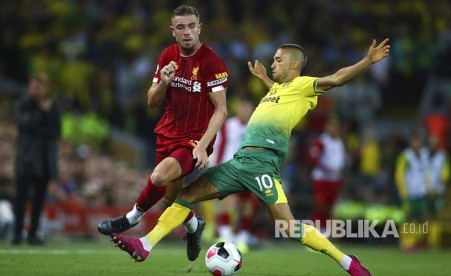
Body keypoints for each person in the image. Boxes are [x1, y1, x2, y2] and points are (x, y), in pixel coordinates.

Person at [110, 39, 391, 276]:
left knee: (289, 227)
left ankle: (348, 262)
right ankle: (145, 245)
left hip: (262, 165)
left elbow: (338, 78)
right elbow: (279, 96)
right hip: (239, 162)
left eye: (278, 60)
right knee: (183, 196)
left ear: (294, 65)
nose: (273, 63)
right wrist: (265, 80)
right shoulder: (278, 90)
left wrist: (366, 61)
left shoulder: (305, 85)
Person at [97, 5, 228, 262]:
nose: (187, 32)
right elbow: (152, 101)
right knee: (171, 199)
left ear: (200, 28)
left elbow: (221, 110)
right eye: (181, 27)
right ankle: (194, 225)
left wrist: (202, 146)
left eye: (192, 26)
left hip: (193, 140)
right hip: (167, 134)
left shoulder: (212, 61)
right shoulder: (168, 55)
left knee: (158, 176)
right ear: (173, 31)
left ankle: (130, 218)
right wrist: (165, 82)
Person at [12, 73, 61, 245]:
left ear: (45, 88)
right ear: (29, 87)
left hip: (44, 160)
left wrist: (38, 123)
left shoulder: (52, 106)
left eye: (40, 86)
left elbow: (56, 132)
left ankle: (32, 234)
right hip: (26, 159)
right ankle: (17, 234)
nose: (37, 89)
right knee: (21, 199)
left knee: (38, 201)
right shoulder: (22, 104)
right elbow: (25, 125)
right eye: (34, 86)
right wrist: (41, 112)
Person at [211, 97, 259, 252]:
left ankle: (242, 237)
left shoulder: (256, 128)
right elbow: (218, 146)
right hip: (229, 169)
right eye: (243, 107)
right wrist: (214, 169)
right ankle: (225, 235)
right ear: (237, 109)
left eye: (248, 108)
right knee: (228, 201)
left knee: (248, 205)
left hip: (249, 171)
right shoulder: (227, 126)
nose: (245, 111)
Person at [308, 116, 346, 233]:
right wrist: (326, 168)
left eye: (336, 126)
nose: (334, 129)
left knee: (331, 205)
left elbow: (341, 161)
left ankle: (326, 230)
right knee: (320, 204)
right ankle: (315, 229)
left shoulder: (339, 142)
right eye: (331, 126)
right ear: (326, 127)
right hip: (322, 179)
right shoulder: (322, 141)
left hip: (335, 179)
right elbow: (313, 158)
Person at [395, 131, 428, 251]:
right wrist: (403, 189)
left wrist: (428, 187)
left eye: (418, 141)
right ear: (411, 142)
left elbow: (427, 173)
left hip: (422, 193)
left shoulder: (425, 154)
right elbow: (399, 173)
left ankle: (416, 242)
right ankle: (406, 243)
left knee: (422, 219)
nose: (417, 143)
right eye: (414, 141)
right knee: (409, 218)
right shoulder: (406, 156)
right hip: (410, 193)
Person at [424, 135, 451, 219]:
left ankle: (434, 229)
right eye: (431, 143)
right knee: (424, 212)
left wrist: (442, 186)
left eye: (435, 143)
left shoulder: (443, 155)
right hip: (423, 189)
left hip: (437, 188)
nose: (433, 145)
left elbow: (446, 172)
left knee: (437, 212)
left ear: (438, 144)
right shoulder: (423, 153)